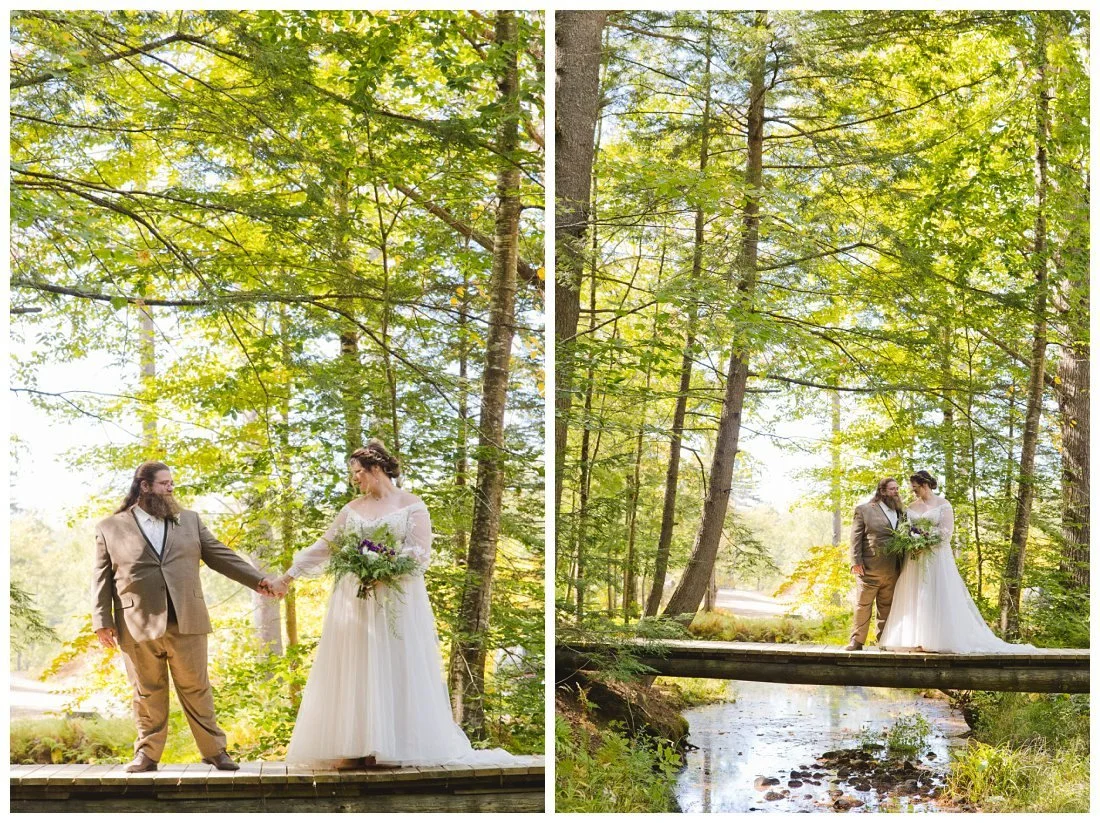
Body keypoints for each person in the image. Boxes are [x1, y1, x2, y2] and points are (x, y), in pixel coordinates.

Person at [271, 440, 517, 768]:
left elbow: (419, 555)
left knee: (395, 664)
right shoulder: (352, 509)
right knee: (356, 666)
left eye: (358, 472)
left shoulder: (412, 505)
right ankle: (355, 744)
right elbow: (325, 546)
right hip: (354, 602)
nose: (354, 479)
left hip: (396, 600)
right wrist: (287, 578)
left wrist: (385, 573)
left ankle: (394, 744)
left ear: (376, 470)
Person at [92, 461, 282, 773]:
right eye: (165, 483)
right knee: (146, 691)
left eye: (171, 483)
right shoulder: (109, 527)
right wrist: (102, 622)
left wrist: (258, 581)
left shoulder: (189, 520)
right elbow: (101, 578)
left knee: (197, 687)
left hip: (188, 618)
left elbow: (220, 555)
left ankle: (215, 752)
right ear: (145, 486)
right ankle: (147, 755)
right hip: (135, 621)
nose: (171, 489)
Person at [879, 471, 1036, 653]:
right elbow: (906, 529)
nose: (912, 491)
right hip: (914, 558)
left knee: (936, 593)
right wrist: (912, 543)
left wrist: (926, 541)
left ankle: (937, 639)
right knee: (915, 593)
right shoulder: (911, 506)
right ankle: (916, 638)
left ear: (925, 484)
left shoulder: (943, 505)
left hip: (936, 557)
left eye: (915, 487)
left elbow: (946, 533)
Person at [846, 477, 904, 651]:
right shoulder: (864, 510)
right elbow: (855, 539)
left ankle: (884, 642)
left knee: (887, 608)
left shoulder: (901, 512)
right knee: (863, 605)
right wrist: (856, 562)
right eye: (892, 489)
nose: (896, 492)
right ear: (882, 491)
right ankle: (857, 641)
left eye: (897, 488)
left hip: (893, 569)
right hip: (869, 569)